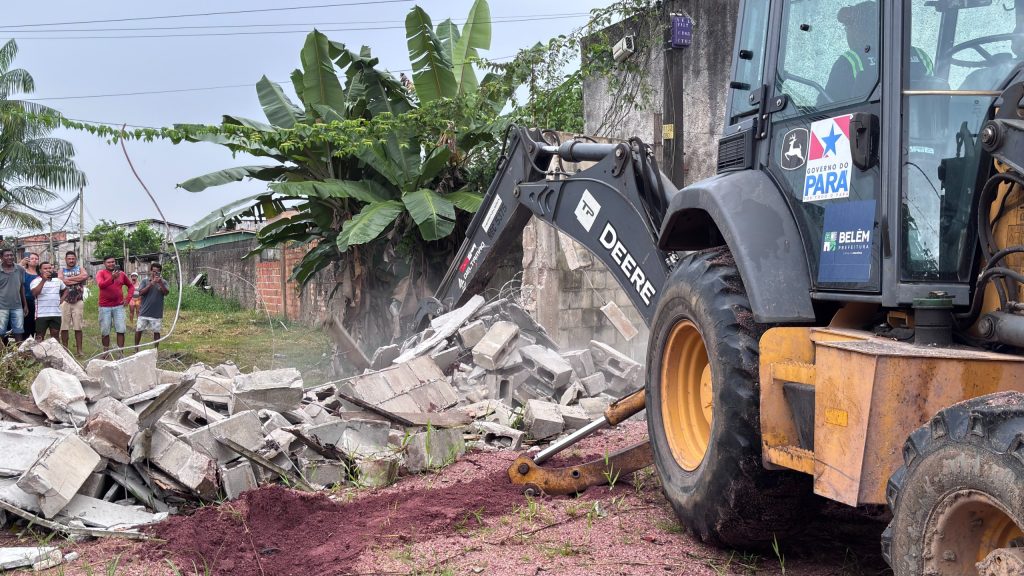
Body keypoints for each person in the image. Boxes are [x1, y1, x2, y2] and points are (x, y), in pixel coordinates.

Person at [821, 1, 880, 107]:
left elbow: (823, 111)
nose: (847, 33)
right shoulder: (918, 55)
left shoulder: (849, 62)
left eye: (847, 28)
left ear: (859, 29)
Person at [96, 256, 133, 358]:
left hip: (119, 306)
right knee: (105, 330)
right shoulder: (101, 273)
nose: (111, 264)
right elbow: (101, 285)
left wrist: (128, 298)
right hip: (104, 307)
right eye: (108, 262)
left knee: (121, 329)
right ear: (104, 263)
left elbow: (131, 286)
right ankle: (105, 353)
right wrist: (112, 278)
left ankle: (120, 353)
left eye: (113, 262)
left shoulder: (122, 274)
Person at [58, 250, 88, 356]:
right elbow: (61, 280)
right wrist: (77, 280)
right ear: (65, 260)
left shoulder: (80, 268)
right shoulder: (61, 270)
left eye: (73, 258)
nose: (71, 260)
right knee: (64, 327)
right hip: (64, 301)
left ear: (76, 259)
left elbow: (84, 276)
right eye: (69, 259)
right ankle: (65, 350)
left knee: (78, 327)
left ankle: (79, 350)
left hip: (78, 301)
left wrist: (68, 279)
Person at [135, 262, 169, 349]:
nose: (155, 273)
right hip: (144, 311)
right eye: (153, 271)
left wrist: (160, 283)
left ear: (160, 272)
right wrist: (151, 283)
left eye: (157, 272)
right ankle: (136, 348)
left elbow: (166, 293)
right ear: (150, 271)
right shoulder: (145, 281)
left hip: (156, 313)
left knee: (156, 332)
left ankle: (155, 350)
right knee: (139, 330)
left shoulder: (163, 282)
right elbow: (140, 293)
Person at [30, 262, 65, 341]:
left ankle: (55, 353)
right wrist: (43, 280)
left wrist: (62, 299)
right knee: (39, 337)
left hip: (56, 313)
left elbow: (65, 290)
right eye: (45, 268)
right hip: (41, 314)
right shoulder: (35, 281)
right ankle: (39, 353)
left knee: (55, 336)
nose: (48, 270)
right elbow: (34, 293)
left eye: (49, 268)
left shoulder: (58, 281)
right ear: (40, 270)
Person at [0, 248, 28, 345]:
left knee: (19, 330)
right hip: (1, 307)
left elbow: (22, 288)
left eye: (11, 255)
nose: (10, 257)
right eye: (6, 255)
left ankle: (19, 353)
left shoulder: (19, 269)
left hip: (17, 306)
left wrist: (25, 305)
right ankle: (3, 353)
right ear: (1, 258)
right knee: (1, 331)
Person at [20, 252, 39, 338]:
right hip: (26, 301)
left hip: (38, 302)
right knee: (26, 325)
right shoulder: (23, 273)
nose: (34, 260)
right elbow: (21, 288)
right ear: (27, 260)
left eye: (36, 258)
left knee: (37, 326)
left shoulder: (40, 274)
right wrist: (25, 305)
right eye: (32, 258)